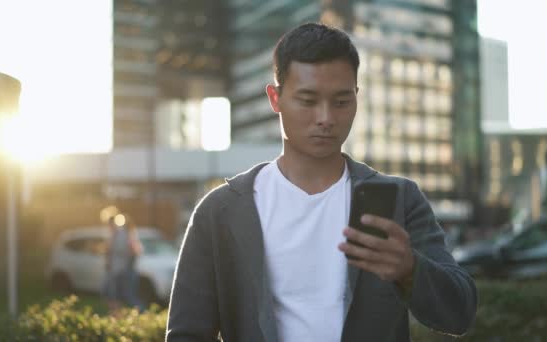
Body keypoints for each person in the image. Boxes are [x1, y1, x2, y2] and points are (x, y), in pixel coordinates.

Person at [167, 23, 477, 342]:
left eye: (341, 102)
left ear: (356, 98)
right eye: (308, 100)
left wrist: (410, 269)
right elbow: (187, 333)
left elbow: (459, 314)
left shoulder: (399, 199)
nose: (326, 118)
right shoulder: (223, 210)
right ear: (275, 98)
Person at [103, 212, 144, 312]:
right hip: (117, 271)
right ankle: (117, 316)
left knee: (127, 296)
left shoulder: (123, 234)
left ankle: (143, 313)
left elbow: (135, 251)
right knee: (114, 295)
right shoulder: (118, 235)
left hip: (123, 271)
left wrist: (128, 266)